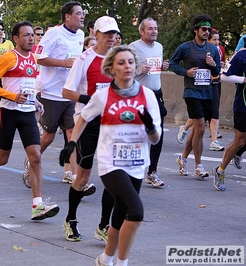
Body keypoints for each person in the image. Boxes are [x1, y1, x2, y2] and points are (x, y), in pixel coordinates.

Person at [60, 45, 161, 266]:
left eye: (130, 62)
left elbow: (155, 139)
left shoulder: (148, 96)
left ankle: (106, 258)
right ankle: (121, 262)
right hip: (111, 164)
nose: (127, 66)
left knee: (120, 215)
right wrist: (72, 143)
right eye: (121, 63)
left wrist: (151, 127)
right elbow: (84, 116)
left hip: (136, 164)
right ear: (112, 69)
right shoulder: (103, 95)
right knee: (135, 212)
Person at [0, 21, 59, 221]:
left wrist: (36, 102)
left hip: (27, 113)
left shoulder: (34, 59)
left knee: (35, 156)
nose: (30, 39)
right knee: (3, 158)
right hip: (8, 112)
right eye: (25, 35)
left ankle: (37, 205)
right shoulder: (9, 58)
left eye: (31, 35)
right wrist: (11, 96)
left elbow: (28, 84)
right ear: (16, 39)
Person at [61, 15, 119, 242]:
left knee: (114, 176)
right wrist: (90, 98)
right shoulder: (85, 59)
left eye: (114, 34)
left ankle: (104, 226)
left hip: (112, 123)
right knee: (83, 177)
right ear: (96, 34)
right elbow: (67, 92)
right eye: (107, 34)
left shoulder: (119, 58)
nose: (111, 38)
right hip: (88, 121)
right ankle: (71, 220)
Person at [25, 1, 85, 184]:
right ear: (68, 16)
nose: (83, 16)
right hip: (50, 93)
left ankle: (74, 176)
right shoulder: (54, 34)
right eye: (79, 13)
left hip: (68, 93)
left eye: (83, 13)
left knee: (72, 134)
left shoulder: (81, 34)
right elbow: (39, 57)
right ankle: (31, 160)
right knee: (49, 137)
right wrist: (64, 63)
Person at [169, 14, 220, 179]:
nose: (206, 32)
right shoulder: (186, 47)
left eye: (208, 30)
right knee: (201, 129)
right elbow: (172, 64)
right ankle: (199, 166)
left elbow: (217, 70)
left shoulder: (213, 49)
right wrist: (186, 72)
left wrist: (213, 66)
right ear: (196, 30)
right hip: (191, 92)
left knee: (198, 130)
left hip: (207, 92)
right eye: (204, 29)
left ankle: (182, 158)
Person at [129, 18, 169, 187]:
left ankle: (152, 171)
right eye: (150, 29)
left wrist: (163, 66)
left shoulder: (159, 47)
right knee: (137, 133)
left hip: (156, 94)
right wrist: (138, 69)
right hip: (139, 94)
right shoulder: (133, 47)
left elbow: (156, 68)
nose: (154, 31)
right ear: (142, 31)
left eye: (155, 28)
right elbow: (124, 68)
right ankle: (131, 169)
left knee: (158, 133)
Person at [212, 42, 246, 191]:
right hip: (243, 105)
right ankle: (220, 170)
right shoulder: (241, 55)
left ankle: (238, 153)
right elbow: (224, 77)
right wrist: (243, 80)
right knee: (240, 141)